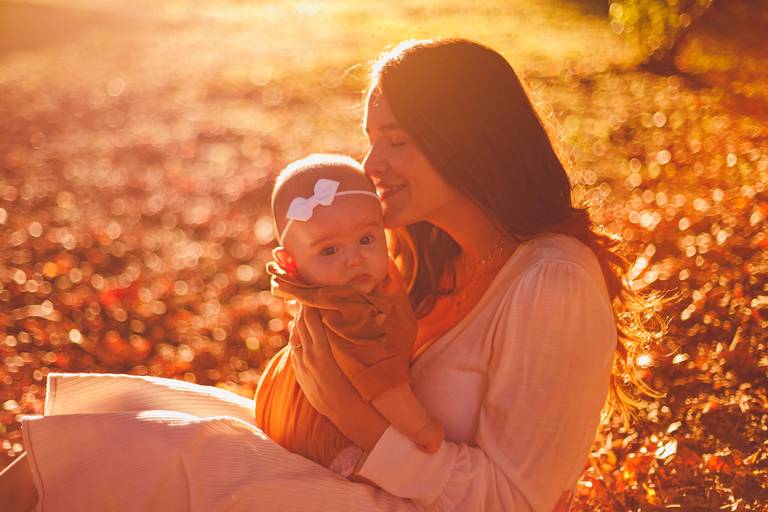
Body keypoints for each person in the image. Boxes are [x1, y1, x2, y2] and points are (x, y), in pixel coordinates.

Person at [0, 38, 661, 511]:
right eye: (373, 138)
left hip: (397, 496)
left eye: (398, 140)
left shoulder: (553, 283)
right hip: (359, 472)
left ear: (470, 143)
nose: (371, 161)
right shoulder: (430, 254)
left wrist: (358, 419)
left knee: (150, 452)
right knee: (129, 418)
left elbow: (516, 501)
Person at [255, 153, 443, 472]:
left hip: (289, 408)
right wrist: (421, 427)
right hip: (324, 433)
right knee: (388, 479)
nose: (354, 258)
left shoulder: (349, 289)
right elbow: (380, 379)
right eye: (330, 250)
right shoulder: (346, 308)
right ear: (291, 262)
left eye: (366, 239)